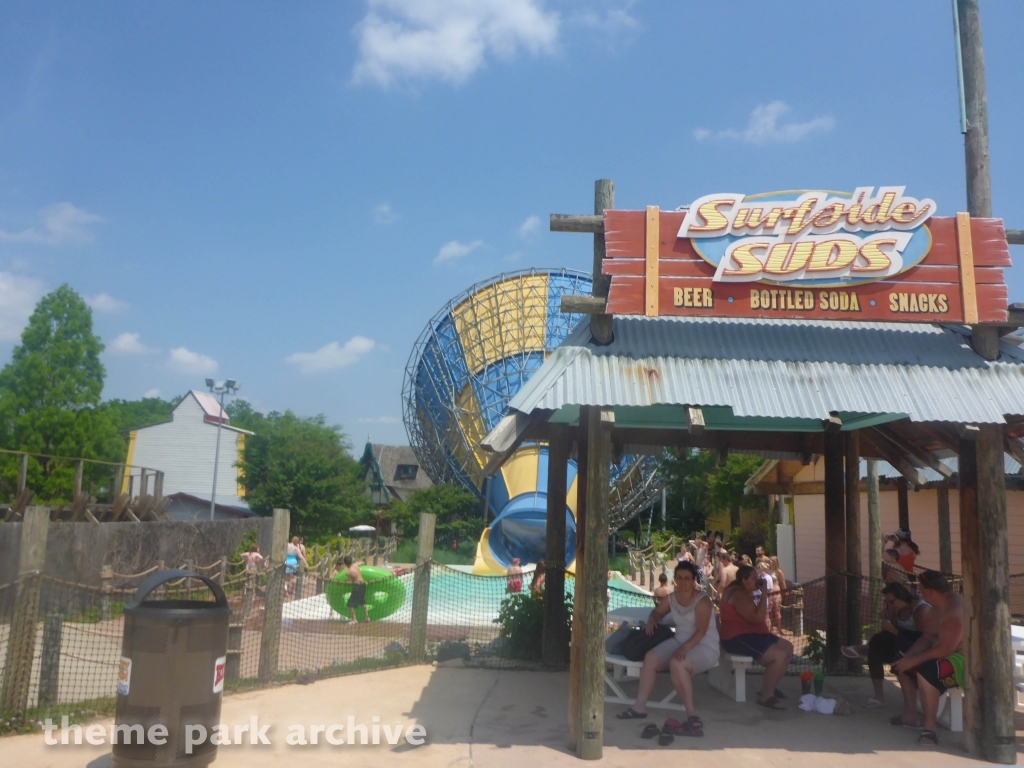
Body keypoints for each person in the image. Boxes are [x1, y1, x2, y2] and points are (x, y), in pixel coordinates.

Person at [615, 561, 719, 735]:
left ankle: (691, 713)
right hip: (680, 641)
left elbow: (701, 631)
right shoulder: (672, 598)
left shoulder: (702, 601)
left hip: (705, 645)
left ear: (694, 579)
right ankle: (639, 707)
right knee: (651, 657)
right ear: (674, 580)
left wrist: (684, 649)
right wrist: (651, 620)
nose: (683, 581)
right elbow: (656, 612)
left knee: (677, 663)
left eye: (687, 578)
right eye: (679, 577)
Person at [890, 570, 962, 746]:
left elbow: (946, 649)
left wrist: (914, 660)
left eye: (921, 590)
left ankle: (930, 729)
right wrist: (908, 657)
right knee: (901, 664)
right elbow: (927, 637)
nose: (920, 594)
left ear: (931, 591)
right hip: (941, 654)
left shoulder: (955, 610)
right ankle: (911, 715)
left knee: (927, 670)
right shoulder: (936, 607)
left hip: (962, 661)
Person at [841, 581, 930, 707]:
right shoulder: (896, 610)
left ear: (902, 596)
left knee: (879, 643)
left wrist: (894, 631)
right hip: (902, 645)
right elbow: (892, 632)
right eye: (887, 602)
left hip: (919, 649)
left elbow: (925, 639)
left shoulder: (919, 610)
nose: (890, 605)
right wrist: (885, 619)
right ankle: (879, 696)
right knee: (876, 649)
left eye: (892, 602)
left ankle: (866, 649)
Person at [718, 565, 794, 710]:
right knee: (779, 656)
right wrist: (764, 592)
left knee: (788, 647)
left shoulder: (743, 591)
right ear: (744, 580)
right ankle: (766, 696)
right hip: (737, 638)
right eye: (754, 578)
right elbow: (758, 617)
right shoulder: (738, 594)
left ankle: (769, 687)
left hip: (754, 634)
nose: (758, 581)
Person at [343, 555, 371, 622]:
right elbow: (362, 562)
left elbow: (352, 582)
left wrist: (345, 583)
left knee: (350, 604)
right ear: (351, 561)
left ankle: (354, 619)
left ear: (345, 564)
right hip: (363, 585)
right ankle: (367, 617)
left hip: (358, 586)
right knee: (362, 601)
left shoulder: (348, 572)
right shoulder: (355, 565)